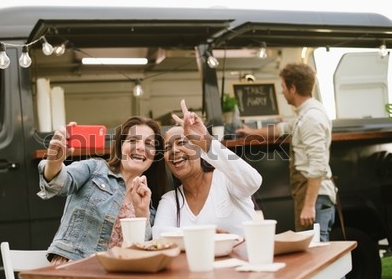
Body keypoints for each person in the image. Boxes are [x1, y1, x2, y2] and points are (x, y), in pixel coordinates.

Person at [235, 62, 352, 279]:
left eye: (282, 86)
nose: (280, 90)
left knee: (322, 259)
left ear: (293, 87)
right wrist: (252, 133)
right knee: (320, 257)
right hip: (312, 198)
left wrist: (308, 206)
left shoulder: (311, 118)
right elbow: (281, 129)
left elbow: (317, 166)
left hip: (315, 199)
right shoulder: (305, 114)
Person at [37, 117, 166, 265]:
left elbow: (142, 253)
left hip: (116, 278)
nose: (141, 147)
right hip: (73, 267)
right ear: (120, 146)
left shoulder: (149, 203)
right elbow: (59, 183)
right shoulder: (94, 169)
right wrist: (54, 161)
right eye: (133, 141)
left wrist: (142, 212)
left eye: (149, 144)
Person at [152, 99, 262, 239]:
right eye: (167, 148)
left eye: (182, 142)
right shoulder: (171, 200)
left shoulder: (224, 178)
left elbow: (253, 181)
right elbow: (159, 235)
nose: (174, 150)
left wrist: (207, 141)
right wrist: (206, 234)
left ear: (199, 148)